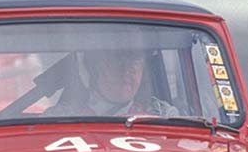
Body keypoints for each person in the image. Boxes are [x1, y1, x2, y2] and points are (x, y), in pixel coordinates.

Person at [49, 50, 179, 117]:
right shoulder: (61, 117)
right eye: (117, 59)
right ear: (96, 66)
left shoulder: (164, 115)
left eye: (134, 61)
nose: (126, 70)